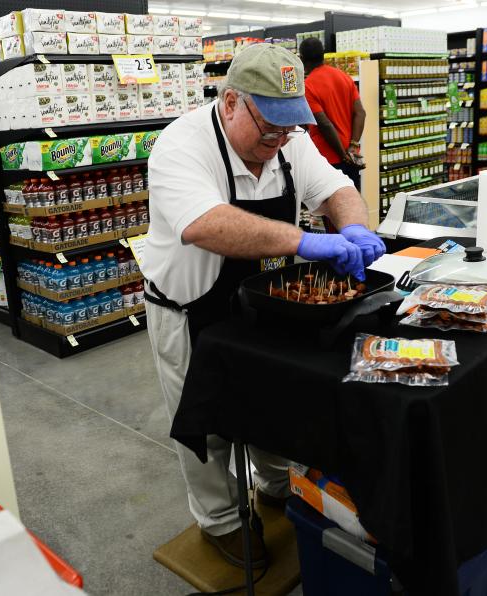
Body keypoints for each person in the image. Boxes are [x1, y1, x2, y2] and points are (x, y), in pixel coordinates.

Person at [141, 44, 385, 568]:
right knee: (203, 425)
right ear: (231, 102)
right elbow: (206, 224)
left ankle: (277, 487)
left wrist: (355, 224)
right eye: (268, 127)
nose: (278, 141)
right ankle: (221, 521)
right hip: (191, 311)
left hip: (261, 309)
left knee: (275, 401)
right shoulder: (181, 146)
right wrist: (303, 242)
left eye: (287, 129)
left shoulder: (288, 142)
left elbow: (337, 187)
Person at [297, 37, 367, 189]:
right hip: (352, 157)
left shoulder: (308, 86)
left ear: (302, 59)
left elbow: (324, 124)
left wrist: (343, 155)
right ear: (323, 54)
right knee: (352, 206)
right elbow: (361, 113)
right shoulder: (344, 77)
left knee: (331, 209)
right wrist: (353, 147)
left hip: (328, 159)